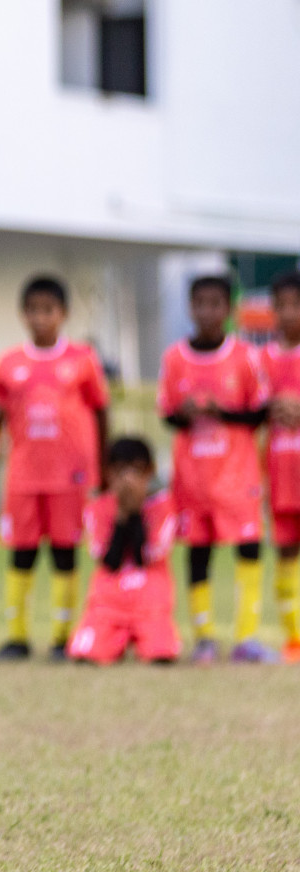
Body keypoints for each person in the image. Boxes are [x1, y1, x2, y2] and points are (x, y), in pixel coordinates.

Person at [0, 277, 109, 661]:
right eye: (33, 310)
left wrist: (104, 467)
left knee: (65, 553)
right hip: (25, 475)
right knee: (22, 554)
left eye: (48, 310)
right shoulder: (10, 362)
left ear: (63, 314)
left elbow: (101, 410)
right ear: (23, 314)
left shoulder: (82, 359)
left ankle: (63, 637)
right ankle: (18, 637)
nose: (40, 318)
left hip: (70, 476)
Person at [158, 275, 274, 664]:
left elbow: (259, 412)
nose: (208, 312)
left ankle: (246, 637)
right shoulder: (174, 357)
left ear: (229, 309)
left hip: (237, 477)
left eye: (216, 304)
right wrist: (185, 414)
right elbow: (168, 416)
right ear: (191, 308)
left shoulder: (245, 356)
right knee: (198, 554)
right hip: (193, 479)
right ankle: (204, 635)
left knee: (248, 551)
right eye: (200, 304)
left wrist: (219, 412)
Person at [67, 437, 181, 665]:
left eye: (136, 471)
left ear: (150, 472)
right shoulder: (98, 508)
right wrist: (121, 513)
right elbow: (110, 561)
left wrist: (136, 509)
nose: (128, 480)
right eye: (120, 472)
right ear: (109, 473)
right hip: (109, 602)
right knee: (87, 654)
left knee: (160, 655)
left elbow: (143, 557)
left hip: (150, 601)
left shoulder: (163, 507)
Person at [266, 270, 300, 662]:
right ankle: (293, 640)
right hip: (279, 476)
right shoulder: (263, 358)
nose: (289, 313)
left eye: (296, 305)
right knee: (286, 552)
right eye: (281, 305)